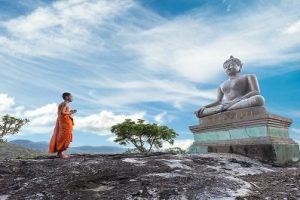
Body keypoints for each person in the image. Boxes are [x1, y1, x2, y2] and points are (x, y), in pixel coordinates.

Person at [195, 56, 265, 118]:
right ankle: (225, 109)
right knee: (201, 112)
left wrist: (236, 101)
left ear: (239, 66)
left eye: (230, 65)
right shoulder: (221, 85)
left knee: (259, 99)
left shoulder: (249, 76)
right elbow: (218, 101)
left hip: (240, 102)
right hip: (224, 105)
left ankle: (225, 109)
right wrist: (205, 107)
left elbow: (255, 92)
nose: (227, 68)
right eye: (225, 67)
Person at [49, 92, 77, 158]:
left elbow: (60, 112)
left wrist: (70, 112)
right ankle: (60, 152)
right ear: (67, 97)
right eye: (71, 96)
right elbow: (62, 112)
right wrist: (70, 112)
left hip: (64, 121)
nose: (72, 98)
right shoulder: (65, 103)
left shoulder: (63, 103)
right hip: (65, 122)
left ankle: (60, 152)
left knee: (64, 135)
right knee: (64, 135)